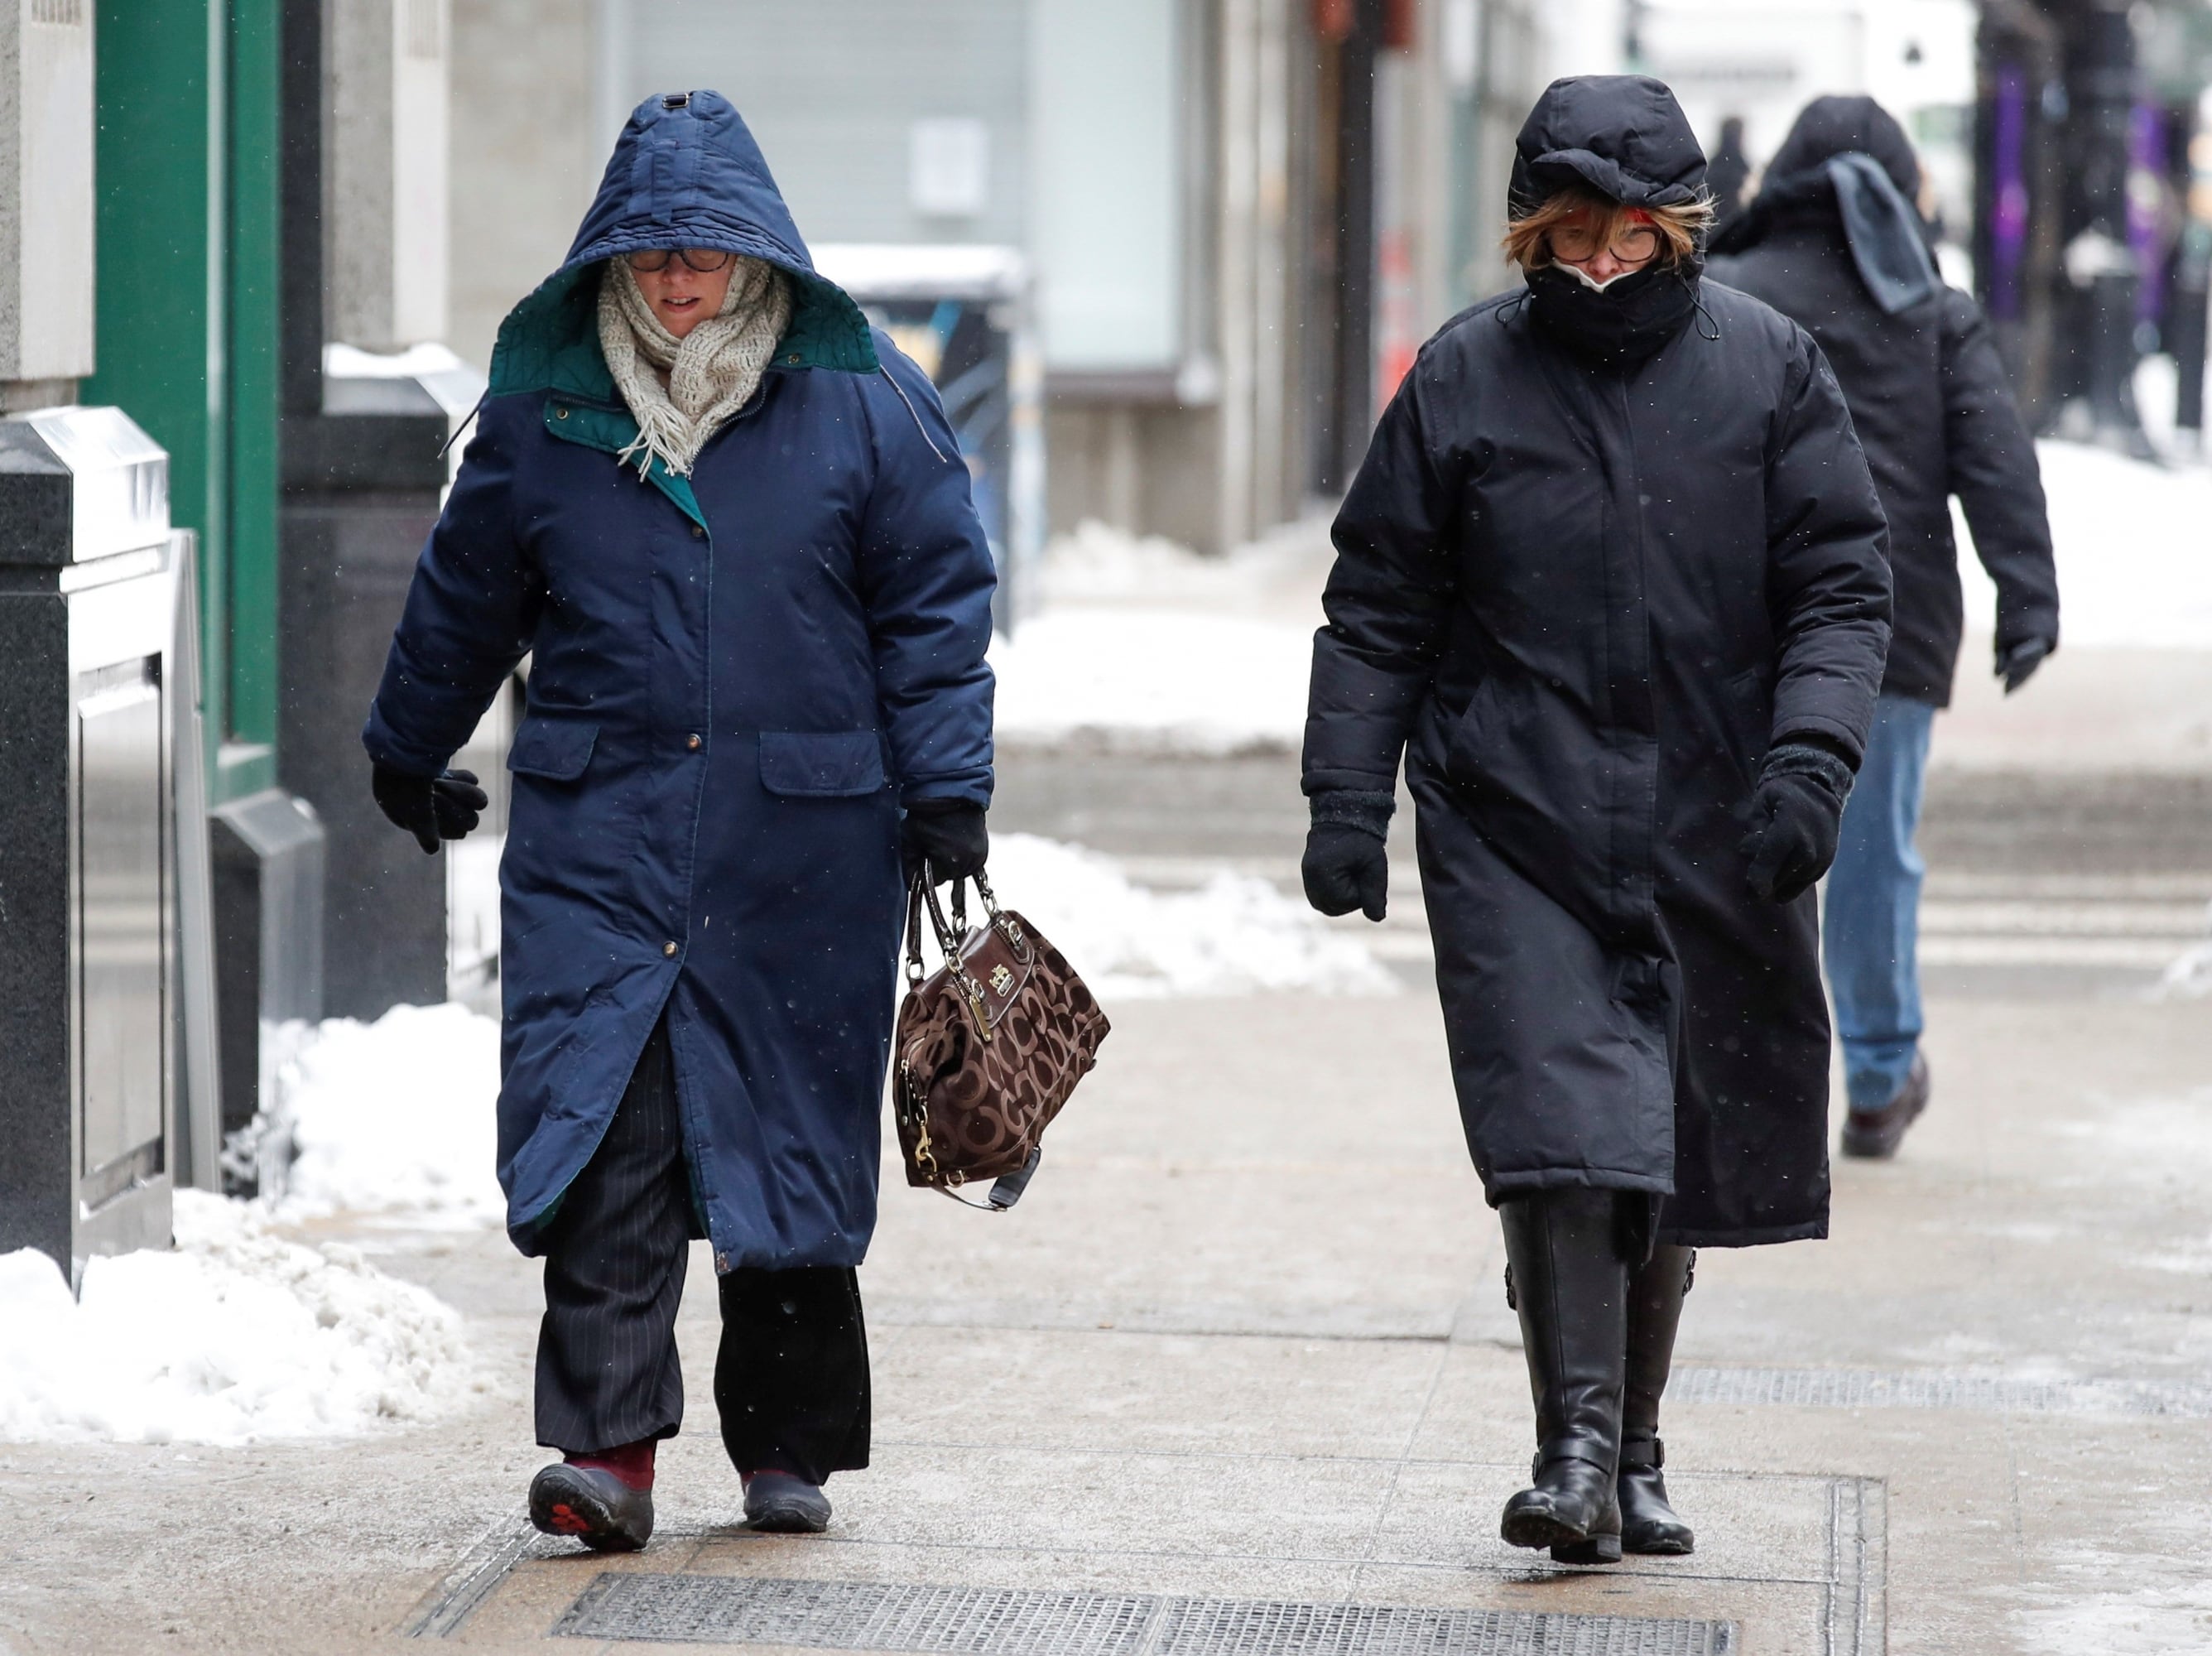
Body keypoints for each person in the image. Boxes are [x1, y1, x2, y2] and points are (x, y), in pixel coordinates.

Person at [362, 90, 997, 1552]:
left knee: (780, 1140)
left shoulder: (861, 400)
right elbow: (467, 593)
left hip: (803, 847)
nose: (676, 279)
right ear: (612, 262)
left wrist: (948, 785)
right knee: (611, 1136)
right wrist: (409, 746)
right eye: (650, 256)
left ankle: (786, 1449)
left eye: (702, 253)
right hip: (604, 839)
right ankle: (608, 1457)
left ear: (756, 254)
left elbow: (933, 610)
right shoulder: (545, 411)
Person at [1301, 75, 1891, 1562]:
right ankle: (1570, 1451)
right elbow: (1377, 608)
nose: (1602, 267)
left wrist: (1807, 763)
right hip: (1517, 813)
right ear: (1530, 236)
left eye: (1631, 239)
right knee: (1563, 1127)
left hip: (1714, 807)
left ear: (1679, 231)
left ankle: (1632, 1441)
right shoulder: (1463, 380)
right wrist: (1344, 799)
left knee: (1670, 1128)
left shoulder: (1768, 370)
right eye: (1573, 239)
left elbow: (1838, 582)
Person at [1709, 96, 2060, 1159]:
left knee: (1734, 850)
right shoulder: (1930, 311)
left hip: (1738, 622)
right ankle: (1871, 1076)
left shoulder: (1723, 293)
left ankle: (1732, 1073)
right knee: (1868, 860)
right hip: (1889, 630)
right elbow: (1997, 463)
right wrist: (2025, 594)